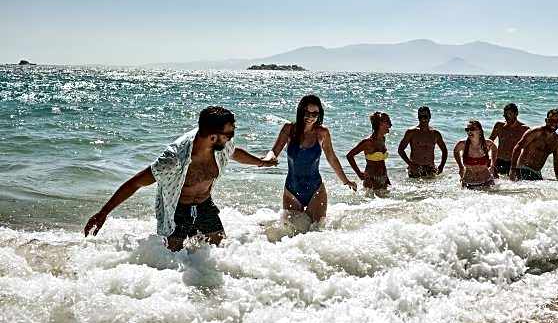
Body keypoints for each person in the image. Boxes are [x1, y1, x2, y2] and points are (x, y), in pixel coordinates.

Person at [83, 106, 278, 251]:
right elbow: (135, 183)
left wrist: (262, 162)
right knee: (172, 259)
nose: (232, 136)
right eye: (229, 133)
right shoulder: (174, 159)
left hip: (204, 205)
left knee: (220, 251)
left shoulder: (223, 144)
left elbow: (235, 152)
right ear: (212, 136)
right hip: (177, 211)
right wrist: (103, 213)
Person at [266, 95, 358, 224]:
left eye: (314, 113)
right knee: (292, 234)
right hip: (291, 190)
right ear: (301, 111)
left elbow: (332, 158)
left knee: (317, 231)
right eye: (307, 113)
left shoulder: (322, 133)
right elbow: (274, 151)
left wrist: (346, 181)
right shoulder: (289, 129)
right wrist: (268, 158)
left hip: (316, 190)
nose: (310, 117)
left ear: (319, 114)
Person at [509, 108, 558, 181]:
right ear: (546, 120)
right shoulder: (535, 132)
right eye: (551, 120)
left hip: (537, 173)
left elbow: (557, 161)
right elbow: (518, 147)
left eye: (557, 121)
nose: (554, 123)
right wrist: (512, 170)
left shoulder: (556, 140)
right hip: (523, 169)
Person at [347, 111, 393, 192]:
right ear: (381, 124)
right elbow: (349, 156)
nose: (390, 125)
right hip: (371, 180)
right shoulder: (368, 142)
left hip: (383, 178)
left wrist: (386, 178)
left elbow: (381, 162)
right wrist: (359, 173)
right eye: (388, 122)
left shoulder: (382, 139)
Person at [397, 106, 448, 178]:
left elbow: (444, 150)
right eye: (420, 117)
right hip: (415, 168)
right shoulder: (411, 132)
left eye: (425, 116)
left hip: (430, 168)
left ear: (430, 116)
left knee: (432, 189)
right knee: (414, 189)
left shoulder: (435, 134)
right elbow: (400, 149)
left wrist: (441, 166)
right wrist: (411, 165)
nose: (423, 119)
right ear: (418, 117)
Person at [453, 120, 498, 189]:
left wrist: (492, 165)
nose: (469, 132)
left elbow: (494, 149)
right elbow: (456, 151)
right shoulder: (462, 144)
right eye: (467, 129)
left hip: (486, 181)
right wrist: (460, 166)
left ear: (480, 131)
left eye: (472, 129)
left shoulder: (487, 144)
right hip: (468, 182)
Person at [488, 103, 529, 176]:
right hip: (498, 160)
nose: (506, 117)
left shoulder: (524, 129)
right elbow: (489, 142)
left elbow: (528, 149)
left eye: (509, 114)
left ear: (516, 114)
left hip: (513, 163)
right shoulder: (499, 126)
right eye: (505, 115)